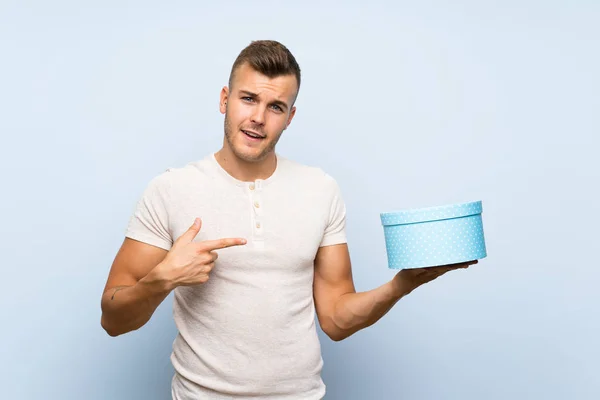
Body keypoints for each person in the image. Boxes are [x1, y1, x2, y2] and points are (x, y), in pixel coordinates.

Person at [100, 39, 477, 399]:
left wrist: (402, 285)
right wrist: (161, 280)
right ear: (224, 100)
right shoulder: (171, 189)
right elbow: (113, 320)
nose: (258, 118)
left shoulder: (320, 189)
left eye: (276, 107)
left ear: (290, 117)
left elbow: (335, 319)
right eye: (248, 99)